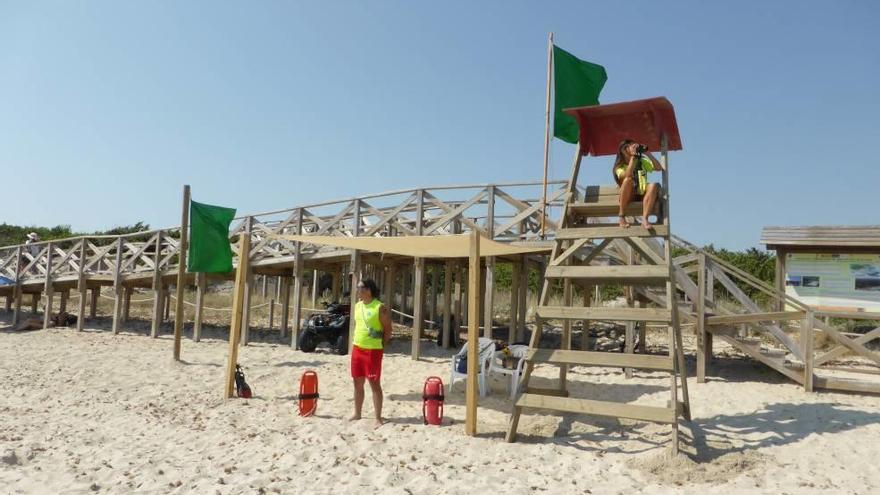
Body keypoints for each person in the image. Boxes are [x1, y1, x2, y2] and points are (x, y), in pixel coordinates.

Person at [348, 278, 392, 428]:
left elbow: (388, 329)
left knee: (374, 384)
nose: (357, 290)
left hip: (373, 351)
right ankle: (357, 413)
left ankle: (378, 418)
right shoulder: (357, 306)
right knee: (357, 383)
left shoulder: (380, 307)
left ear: (368, 290)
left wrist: (381, 345)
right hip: (357, 349)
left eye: (360, 287)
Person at [612, 139, 665, 229]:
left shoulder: (641, 161)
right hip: (629, 196)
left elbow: (658, 168)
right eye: (630, 147)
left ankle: (645, 219)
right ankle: (621, 217)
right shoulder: (619, 167)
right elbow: (627, 175)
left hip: (642, 193)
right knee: (627, 180)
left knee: (653, 185)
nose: (634, 148)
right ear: (623, 151)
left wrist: (648, 153)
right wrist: (633, 158)